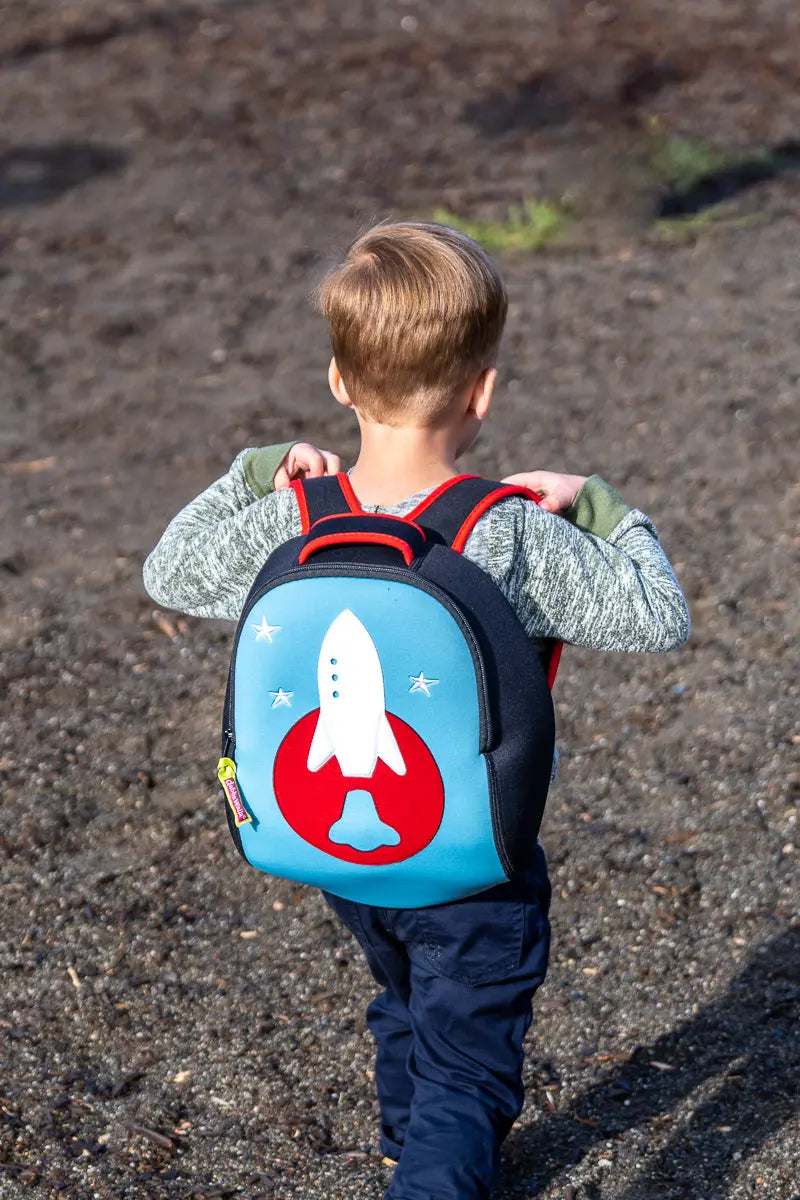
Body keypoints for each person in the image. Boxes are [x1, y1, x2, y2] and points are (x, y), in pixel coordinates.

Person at [143, 221, 689, 1200]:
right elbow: (655, 614)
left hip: (340, 849)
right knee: (469, 1053)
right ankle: (431, 1173)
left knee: (400, 995)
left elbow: (170, 568)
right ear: (481, 392)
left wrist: (253, 471)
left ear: (338, 383)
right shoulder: (513, 532)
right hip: (474, 854)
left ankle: (408, 1142)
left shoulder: (291, 517)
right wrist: (599, 505)